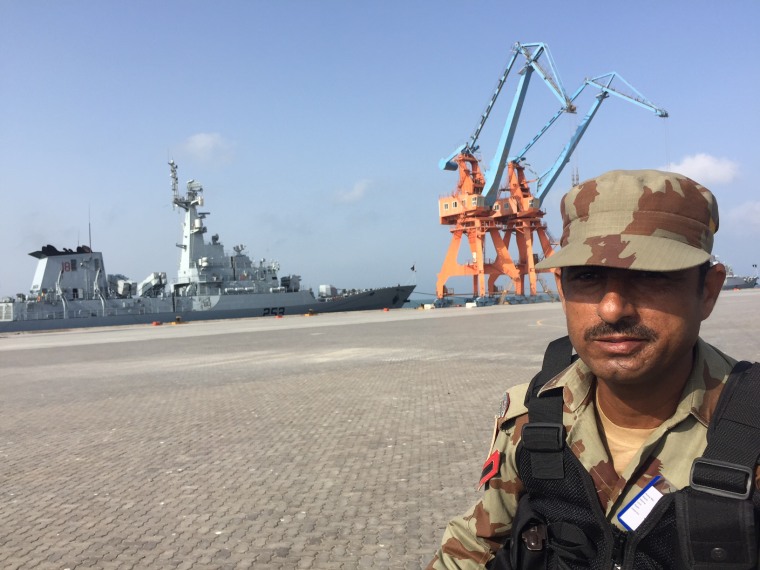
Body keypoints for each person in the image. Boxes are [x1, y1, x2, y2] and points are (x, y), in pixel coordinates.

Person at [427, 169, 760, 569]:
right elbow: (473, 545)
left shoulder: (749, 424)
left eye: (651, 276)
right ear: (563, 289)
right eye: (587, 276)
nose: (612, 308)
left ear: (707, 291)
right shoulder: (534, 415)